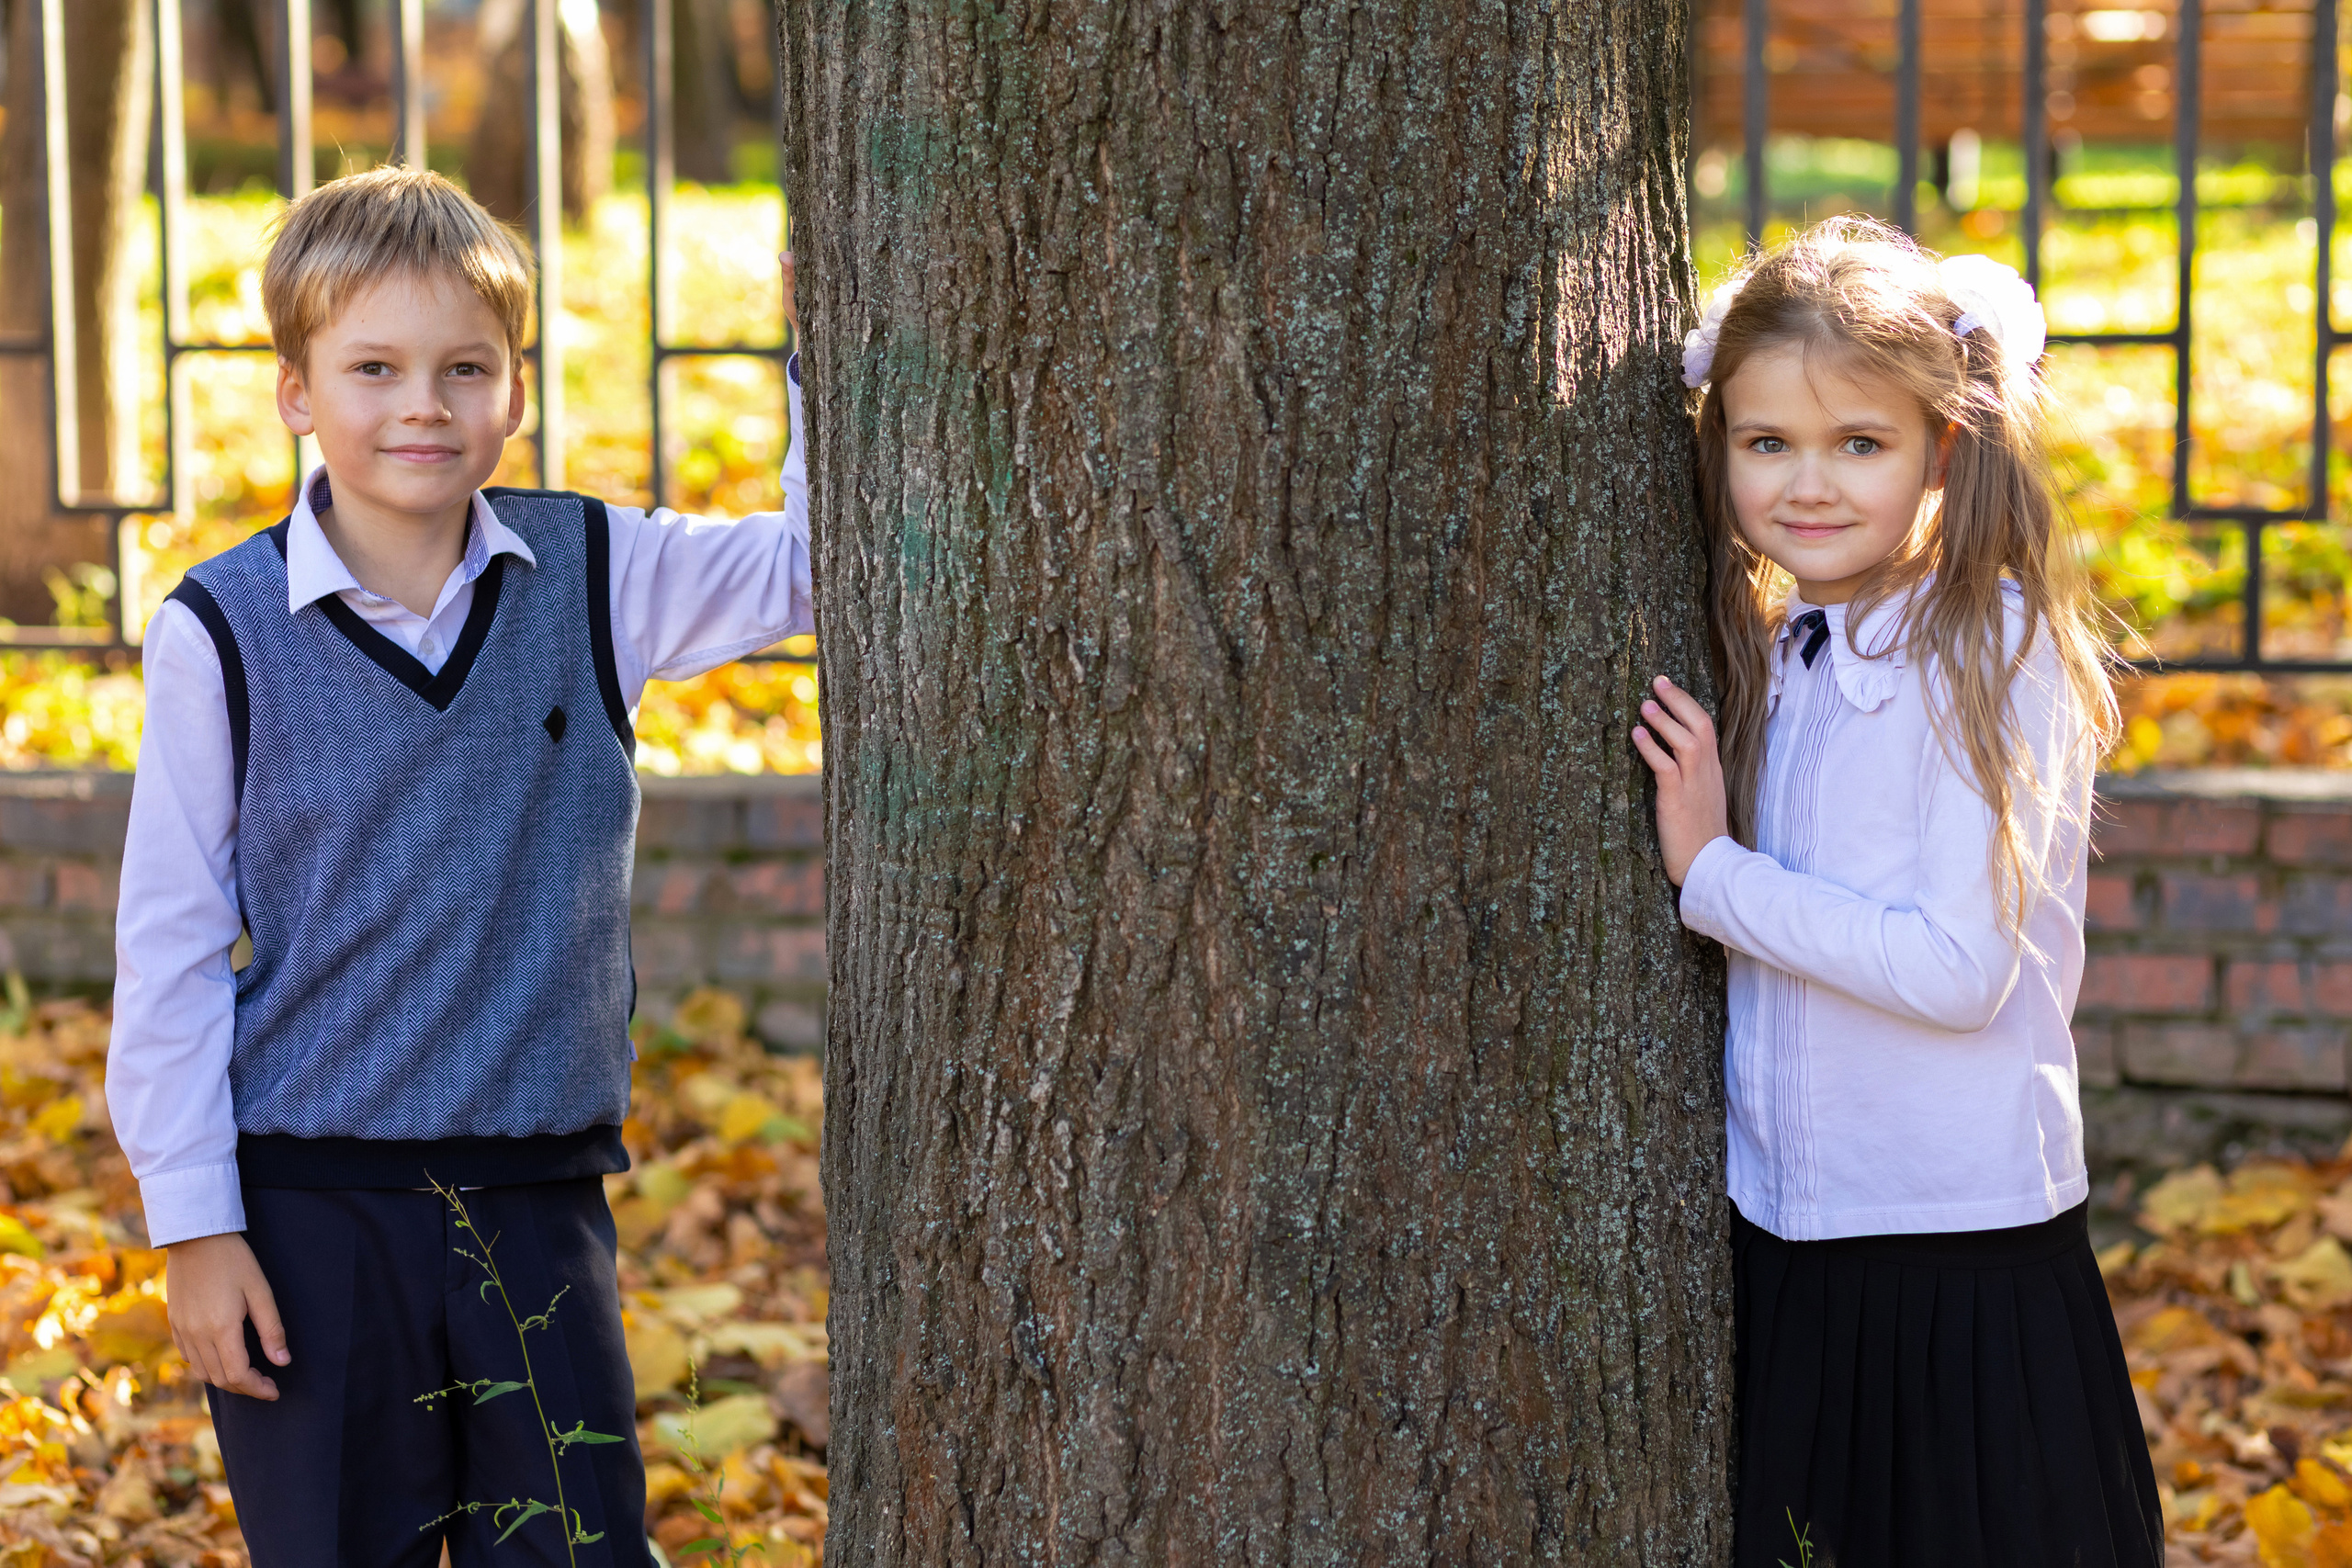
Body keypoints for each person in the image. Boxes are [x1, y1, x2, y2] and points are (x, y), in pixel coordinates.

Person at [105, 164, 809, 1563]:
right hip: (308, 1214)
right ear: (298, 390)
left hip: (539, 1201)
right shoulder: (222, 630)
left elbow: (808, 569)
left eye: (462, 368)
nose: (421, 403)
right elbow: (170, 946)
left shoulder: (602, 571)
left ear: (517, 390)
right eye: (373, 367)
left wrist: (818, 347)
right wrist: (194, 1231)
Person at [1631, 218, 2163, 1567]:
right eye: (1768, 445)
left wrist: (1713, 873)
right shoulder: (1784, 647)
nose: (1807, 485)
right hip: (1792, 1235)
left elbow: (1954, 969)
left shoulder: (1996, 652)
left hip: (1956, 1248)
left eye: (1858, 443)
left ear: (1946, 441)